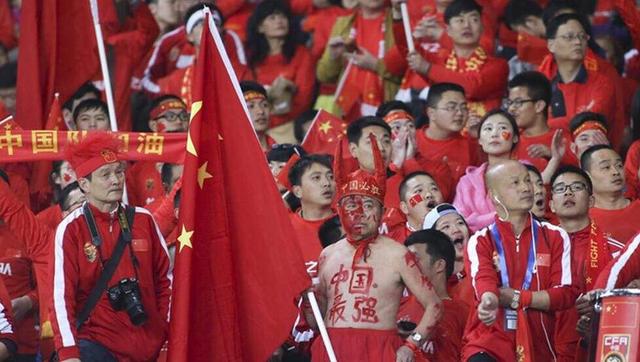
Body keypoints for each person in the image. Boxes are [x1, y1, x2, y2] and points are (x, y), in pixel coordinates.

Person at [310, 133, 441, 361]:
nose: (359, 213)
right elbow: (316, 321)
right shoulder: (327, 255)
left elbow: (434, 306)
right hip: (330, 351)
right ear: (339, 211)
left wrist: (411, 346)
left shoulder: (398, 253)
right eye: (351, 205)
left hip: (379, 351)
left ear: (382, 212)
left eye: (368, 204)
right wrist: (306, 302)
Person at [50, 132, 171, 361]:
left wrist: (163, 328)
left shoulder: (144, 220)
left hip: (148, 346)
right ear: (84, 184)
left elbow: (167, 281)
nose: (116, 180)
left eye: (119, 172)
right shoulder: (71, 229)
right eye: (105, 175)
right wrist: (69, 354)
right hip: (96, 346)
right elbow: (60, 299)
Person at [464, 160, 576, 361]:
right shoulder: (481, 240)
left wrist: (517, 297)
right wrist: (488, 300)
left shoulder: (555, 236)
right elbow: (484, 280)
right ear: (494, 196)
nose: (526, 187)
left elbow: (565, 294)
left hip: (538, 345)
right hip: (490, 341)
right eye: (515, 183)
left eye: (527, 181)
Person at [549, 165, 624, 361]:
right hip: (545, 345)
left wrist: (600, 307)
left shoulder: (615, 251)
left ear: (591, 200)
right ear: (552, 205)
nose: (568, 192)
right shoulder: (536, 248)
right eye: (560, 188)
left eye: (576, 187)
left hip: (593, 346)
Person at [396, 0, 509, 118]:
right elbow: (408, 48)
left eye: (474, 19)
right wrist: (397, 13)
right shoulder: (440, 62)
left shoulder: (498, 66)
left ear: (482, 28)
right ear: (448, 30)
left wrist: (428, 68)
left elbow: (472, 88)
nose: (467, 25)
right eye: (460, 20)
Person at [539, 13, 623, 147]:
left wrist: (547, 126)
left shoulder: (602, 83)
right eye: (569, 37)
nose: (578, 42)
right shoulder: (542, 84)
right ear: (551, 45)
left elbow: (588, 127)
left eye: (582, 36)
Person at [317, 0, 400, 120]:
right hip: (348, 108)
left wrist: (376, 65)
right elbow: (324, 76)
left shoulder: (397, 20)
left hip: (387, 107)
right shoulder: (343, 24)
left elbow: (408, 70)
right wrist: (333, 56)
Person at [244, 0, 314, 141]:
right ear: (260, 27)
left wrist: (268, 121)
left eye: (283, 17)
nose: (280, 21)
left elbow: (303, 100)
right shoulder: (253, 60)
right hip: (256, 128)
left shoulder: (301, 54)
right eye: (272, 18)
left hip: (289, 128)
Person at [397, 229, 469, 361]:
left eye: (413, 259)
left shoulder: (463, 314)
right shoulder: (395, 307)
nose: (406, 266)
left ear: (439, 265)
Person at [453, 110, 520, 232]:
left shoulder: (525, 173)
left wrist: (477, 220)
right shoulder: (466, 182)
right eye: (488, 129)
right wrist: (503, 216)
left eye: (502, 128)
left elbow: (526, 213)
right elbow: (459, 221)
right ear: (480, 140)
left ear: (515, 137)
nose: (494, 134)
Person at [507, 71, 576, 172]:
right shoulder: (509, 141)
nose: (511, 108)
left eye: (518, 102)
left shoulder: (563, 139)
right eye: (509, 103)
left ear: (539, 106)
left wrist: (554, 157)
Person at [126, 95, 188, 207]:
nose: (179, 121)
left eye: (184, 116)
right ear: (153, 125)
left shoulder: (199, 161)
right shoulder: (137, 171)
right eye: (170, 116)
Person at [417, 82, 479, 182]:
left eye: (464, 107)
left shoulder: (471, 145)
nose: (459, 113)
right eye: (451, 107)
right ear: (431, 113)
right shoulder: (411, 142)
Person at [288, 154, 336, 281]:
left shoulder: (349, 224)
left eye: (331, 177)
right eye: (316, 178)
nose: (326, 183)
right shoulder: (285, 228)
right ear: (298, 191)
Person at [581, 145, 640, 244]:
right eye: (606, 167)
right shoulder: (582, 220)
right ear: (587, 176)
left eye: (619, 166)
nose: (615, 172)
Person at [422, 203, 474, 309]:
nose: (456, 229)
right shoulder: (433, 289)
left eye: (460, 223)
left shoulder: (483, 269)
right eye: (446, 227)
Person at [386, 171, 444, 242]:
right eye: (419, 190)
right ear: (405, 208)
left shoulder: (455, 232)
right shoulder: (392, 242)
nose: (429, 194)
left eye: (434, 189)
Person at [240, 81, 277, 152]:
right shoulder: (234, 153)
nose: (261, 111)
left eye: (265, 105)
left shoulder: (280, 151)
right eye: (251, 106)